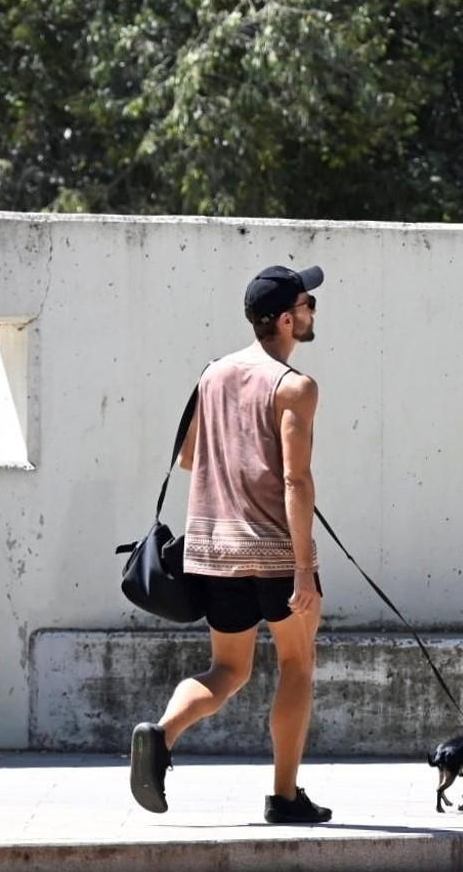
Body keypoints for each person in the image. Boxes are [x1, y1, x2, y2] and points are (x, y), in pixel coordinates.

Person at [129, 264, 331, 825]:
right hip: (273, 552)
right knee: (297, 663)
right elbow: (296, 481)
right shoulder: (295, 387)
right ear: (287, 319)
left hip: (213, 550)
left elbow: (190, 458)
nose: (314, 311)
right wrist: (303, 569)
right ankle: (285, 798)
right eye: (308, 302)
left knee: (228, 670)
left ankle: (161, 733)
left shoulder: (212, 374)